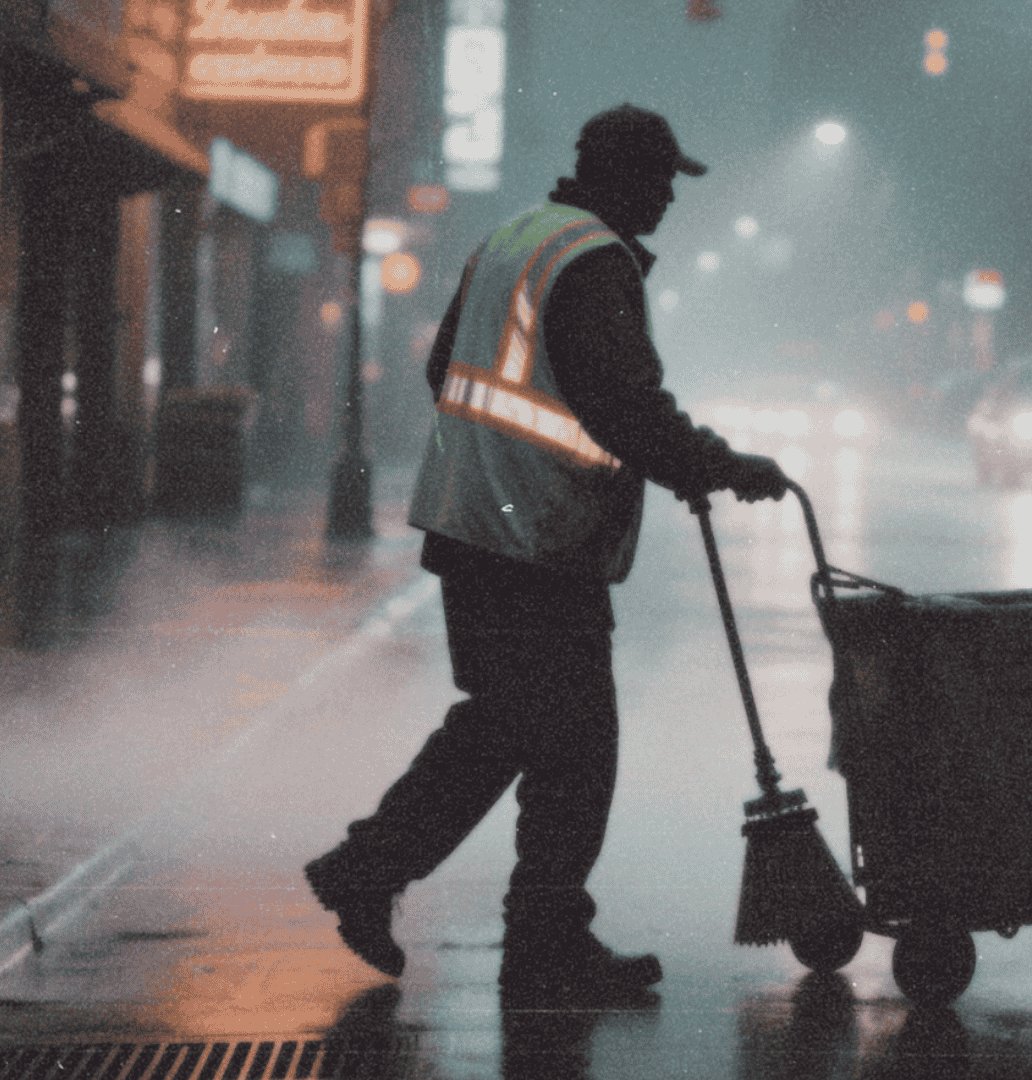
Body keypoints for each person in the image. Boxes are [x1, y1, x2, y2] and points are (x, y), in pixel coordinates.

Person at [304, 104, 789, 1004]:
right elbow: (621, 404)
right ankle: (488, 917)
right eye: (660, 181)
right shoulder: (590, 260)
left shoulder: (516, 239)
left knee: (513, 725)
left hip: (475, 527)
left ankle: (444, 898)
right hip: (531, 538)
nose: (667, 200)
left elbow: (446, 365)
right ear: (618, 175)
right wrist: (717, 465)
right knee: (570, 741)